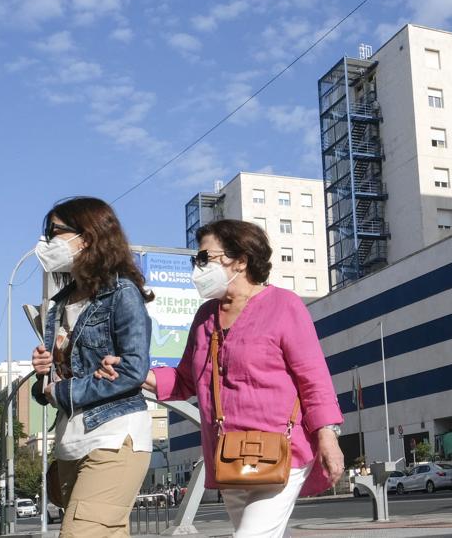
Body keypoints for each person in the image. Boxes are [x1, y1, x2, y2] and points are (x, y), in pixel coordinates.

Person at [97, 219, 343, 537]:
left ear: (240, 260)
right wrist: (135, 372)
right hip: (228, 455)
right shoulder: (205, 317)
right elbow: (186, 379)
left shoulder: (285, 306)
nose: (196, 268)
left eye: (204, 258)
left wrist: (328, 437)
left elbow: (313, 379)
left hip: (281, 451)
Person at [29, 196, 153, 538]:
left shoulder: (121, 293)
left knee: (77, 534)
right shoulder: (58, 307)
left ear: (87, 236)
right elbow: (51, 390)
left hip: (114, 435)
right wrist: (45, 376)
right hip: (70, 442)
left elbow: (132, 370)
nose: (46, 242)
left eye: (55, 232)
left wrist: (63, 388)